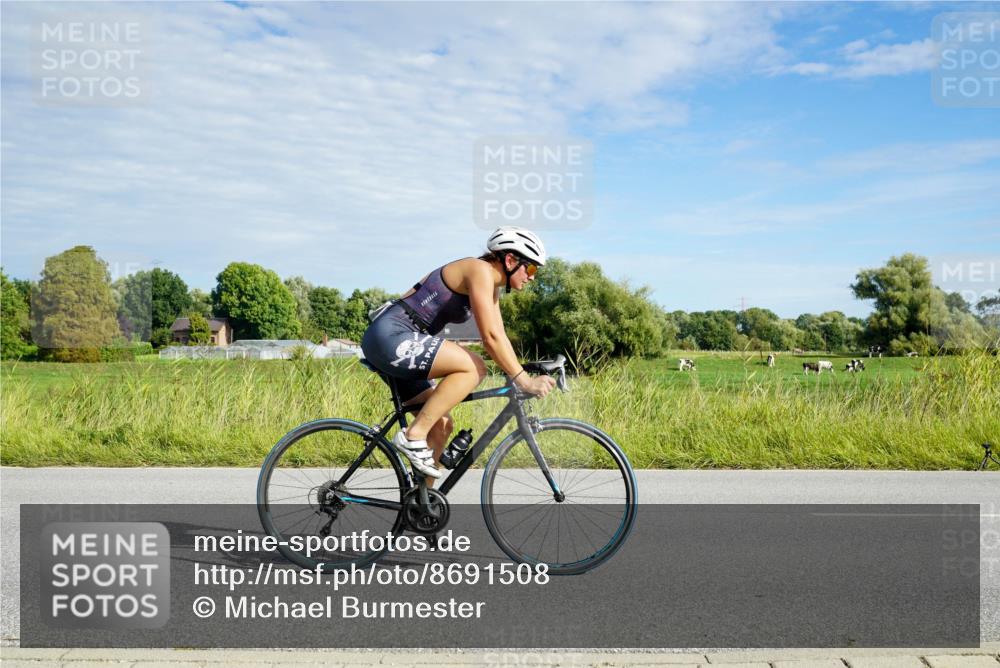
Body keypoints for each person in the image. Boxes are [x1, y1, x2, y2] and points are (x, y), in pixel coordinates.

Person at [360, 227, 556, 479]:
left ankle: (421, 510)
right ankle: (413, 435)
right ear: (510, 260)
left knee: (441, 426)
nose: (532, 277)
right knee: (474, 368)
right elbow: (491, 339)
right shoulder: (480, 270)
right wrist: (525, 381)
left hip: (404, 343)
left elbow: (500, 336)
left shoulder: (490, 285)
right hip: (391, 337)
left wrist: (522, 369)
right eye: (530, 269)